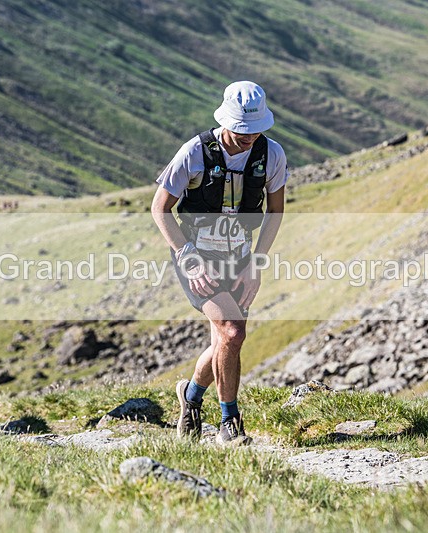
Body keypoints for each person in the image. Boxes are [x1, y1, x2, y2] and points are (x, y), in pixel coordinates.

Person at [151, 81, 288, 445]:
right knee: (232, 330)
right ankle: (230, 423)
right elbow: (159, 209)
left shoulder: (272, 155)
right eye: (243, 131)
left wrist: (256, 262)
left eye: (256, 130)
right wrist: (189, 258)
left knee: (225, 341)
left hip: (240, 258)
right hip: (196, 255)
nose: (250, 138)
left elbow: (275, 211)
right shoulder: (194, 152)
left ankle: (192, 397)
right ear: (225, 121)